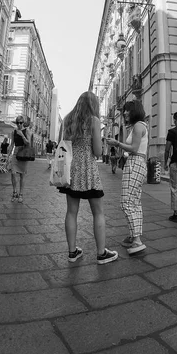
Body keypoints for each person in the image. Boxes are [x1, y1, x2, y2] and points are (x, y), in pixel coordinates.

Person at [58, 91, 118, 265]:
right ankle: (101, 253)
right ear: (93, 105)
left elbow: (63, 144)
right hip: (88, 170)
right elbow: (98, 152)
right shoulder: (93, 121)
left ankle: (72, 252)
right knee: (98, 212)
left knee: (71, 212)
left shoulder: (67, 120)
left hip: (71, 169)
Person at [107, 100, 148, 255]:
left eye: (128, 110)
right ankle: (133, 235)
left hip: (135, 163)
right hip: (138, 163)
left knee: (126, 202)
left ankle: (137, 240)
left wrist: (117, 143)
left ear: (135, 111)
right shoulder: (140, 126)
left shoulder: (138, 126)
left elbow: (134, 148)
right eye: (124, 110)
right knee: (135, 202)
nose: (124, 113)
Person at [8, 116, 30, 203]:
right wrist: (7, 156)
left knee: (22, 175)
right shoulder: (14, 131)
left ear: (23, 123)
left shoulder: (26, 131)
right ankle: (14, 192)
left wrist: (22, 135)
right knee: (13, 173)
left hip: (24, 153)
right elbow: (12, 144)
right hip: (16, 153)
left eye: (21, 122)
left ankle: (21, 194)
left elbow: (28, 143)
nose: (19, 124)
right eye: (17, 123)